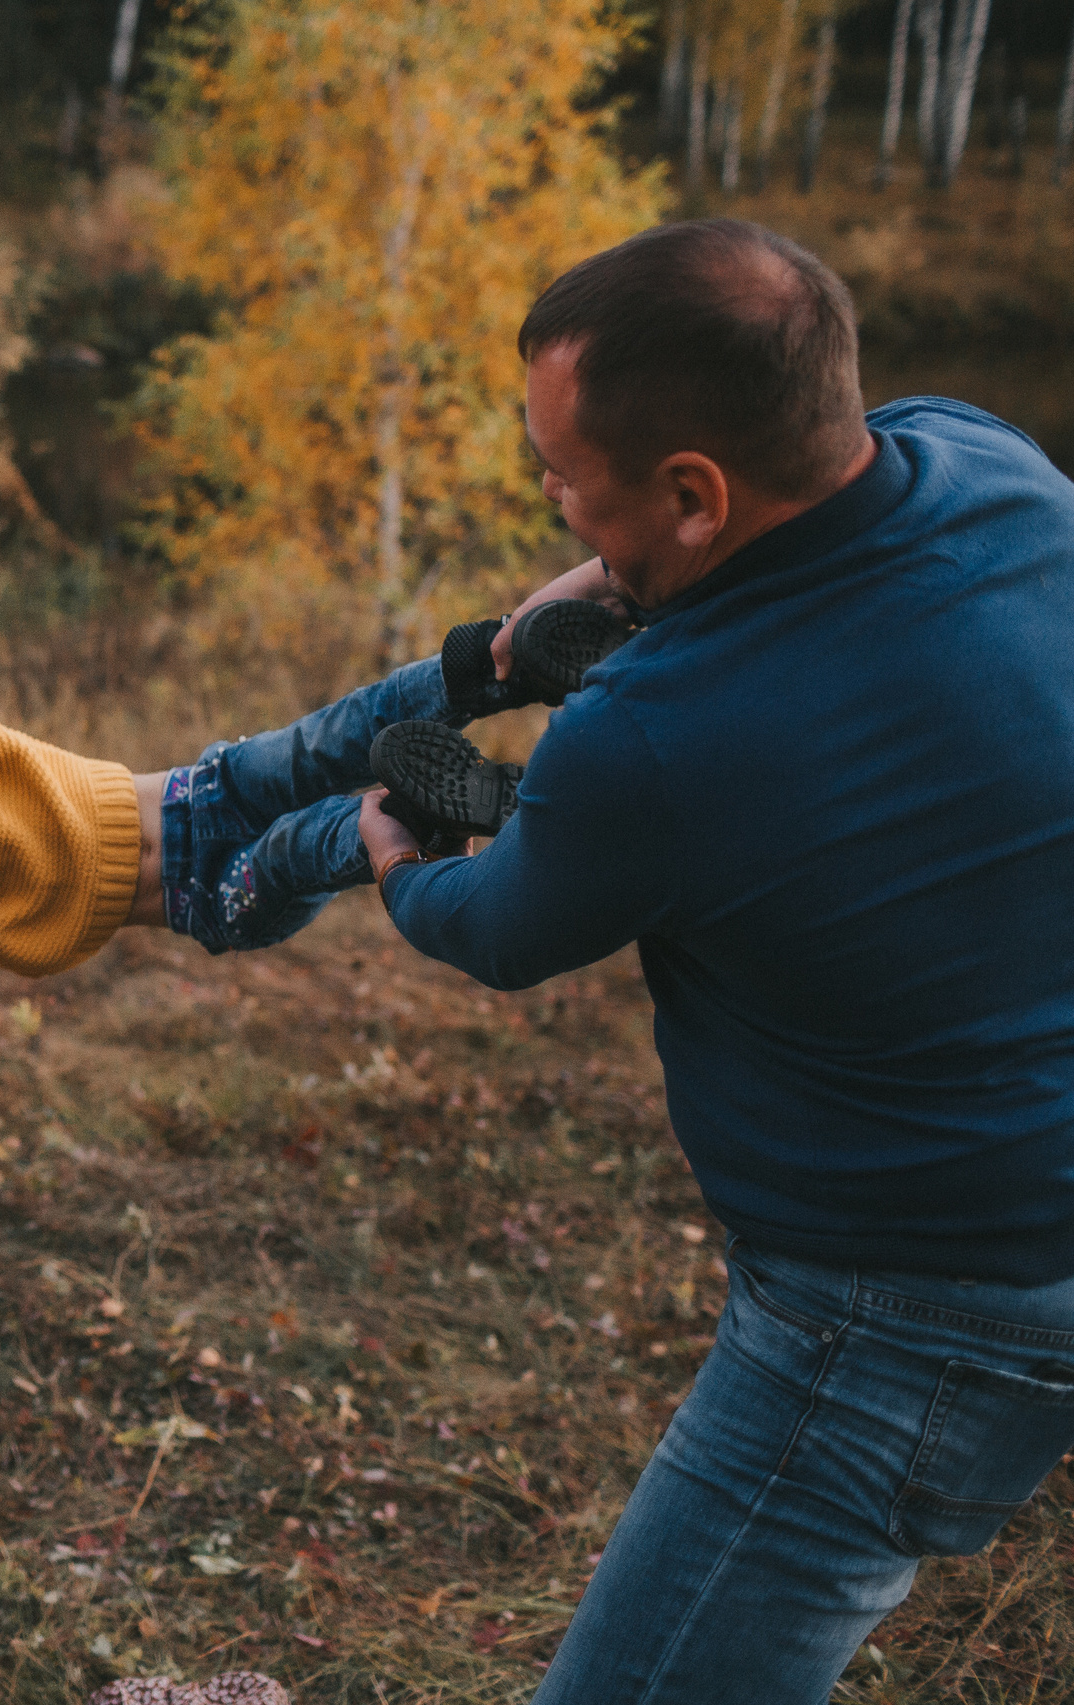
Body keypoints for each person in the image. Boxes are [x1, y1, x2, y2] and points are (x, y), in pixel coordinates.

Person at [358, 219, 1074, 1702]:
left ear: (693, 492)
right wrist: (616, 581)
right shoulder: (985, 461)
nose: (553, 498)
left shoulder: (651, 743)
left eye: (565, 476)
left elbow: (496, 930)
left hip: (907, 1306)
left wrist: (400, 857)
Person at [0, 599, 625, 1047]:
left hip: (205, 790)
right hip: (212, 898)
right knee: (302, 845)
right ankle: (444, 804)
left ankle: (499, 668)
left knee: (330, 737)